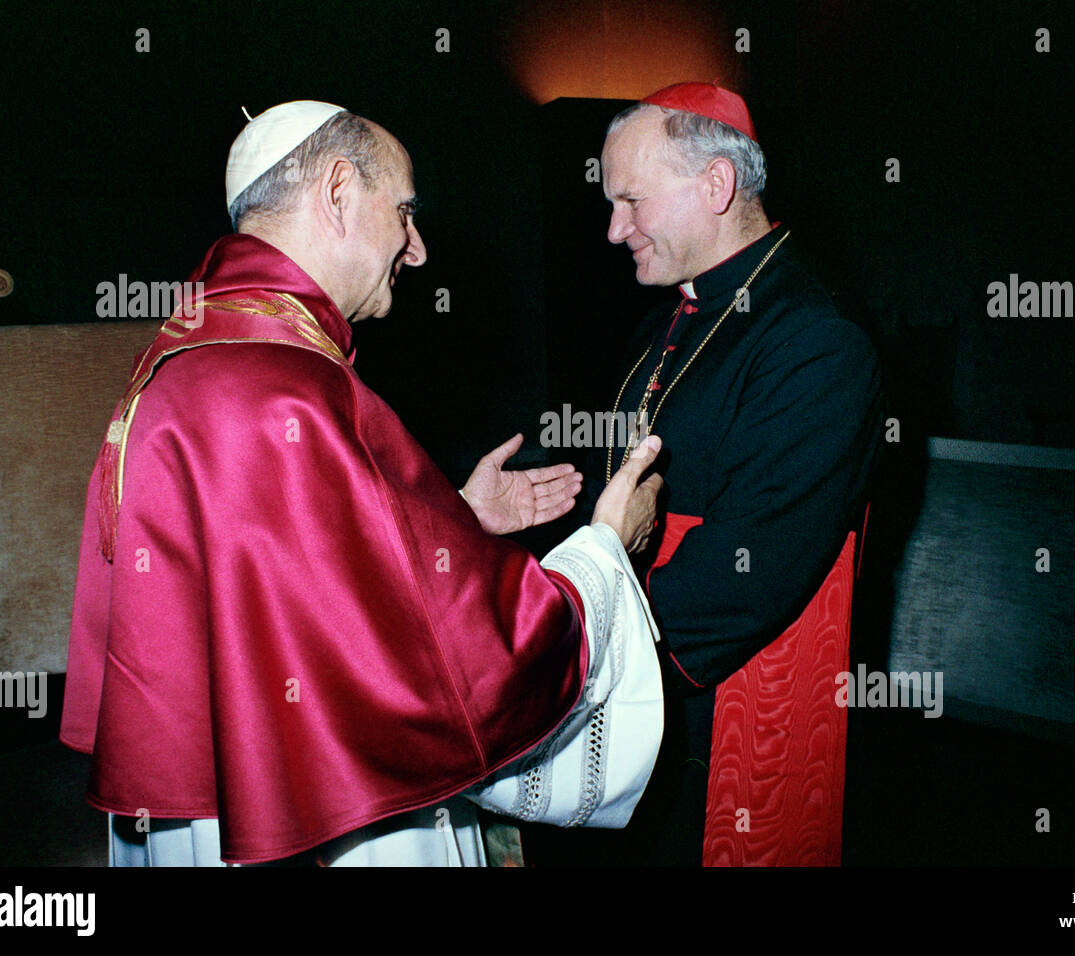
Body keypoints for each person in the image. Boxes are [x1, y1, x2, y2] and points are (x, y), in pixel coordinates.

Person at [59, 101, 667, 866]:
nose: (415, 251)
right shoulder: (285, 387)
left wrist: (454, 522)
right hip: (324, 819)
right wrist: (606, 549)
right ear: (339, 191)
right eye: (404, 212)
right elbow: (463, 670)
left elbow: (294, 582)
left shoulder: (199, 349)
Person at [526, 82, 883, 865]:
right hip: (639, 680)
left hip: (707, 697)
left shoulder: (815, 334)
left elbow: (750, 571)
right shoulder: (669, 317)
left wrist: (568, 641)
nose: (615, 229)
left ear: (716, 185)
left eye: (631, 201)